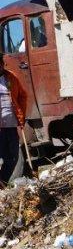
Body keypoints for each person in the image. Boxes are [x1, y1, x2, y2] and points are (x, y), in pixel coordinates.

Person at [0, 56, 27, 184]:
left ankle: (2, 183)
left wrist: (21, 115)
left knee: (12, 157)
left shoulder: (11, 77)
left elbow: (22, 95)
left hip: (10, 126)